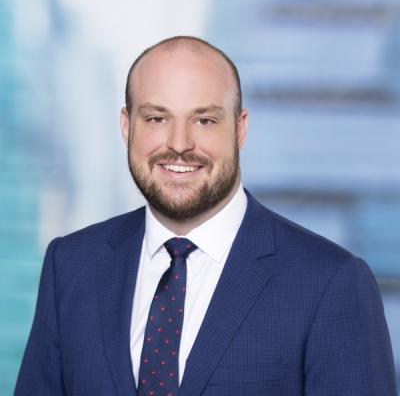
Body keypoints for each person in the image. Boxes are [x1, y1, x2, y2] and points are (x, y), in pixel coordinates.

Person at [15, 36, 397, 396]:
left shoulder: (330, 283)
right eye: (157, 119)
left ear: (240, 129)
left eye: (204, 120)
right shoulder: (71, 265)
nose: (179, 144)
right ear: (127, 126)